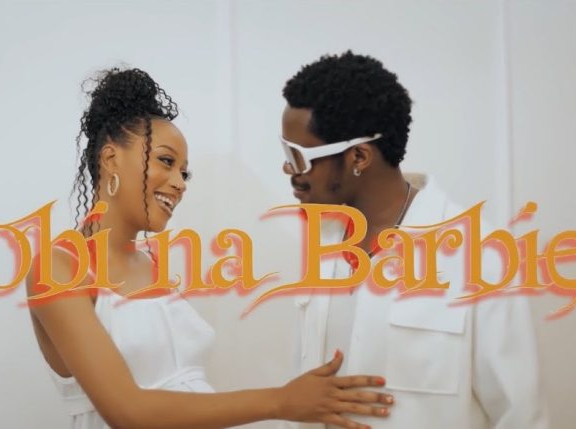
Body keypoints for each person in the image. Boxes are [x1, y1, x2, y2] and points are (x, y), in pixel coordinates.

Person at [26, 67, 393, 429]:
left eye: (184, 173)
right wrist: (282, 401)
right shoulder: (58, 268)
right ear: (110, 159)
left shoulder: (151, 264)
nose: (179, 183)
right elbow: (128, 411)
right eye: (166, 161)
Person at [278, 51, 549, 428]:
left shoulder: (481, 255)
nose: (288, 168)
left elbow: (521, 415)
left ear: (359, 157)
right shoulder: (323, 246)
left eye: (298, 156)